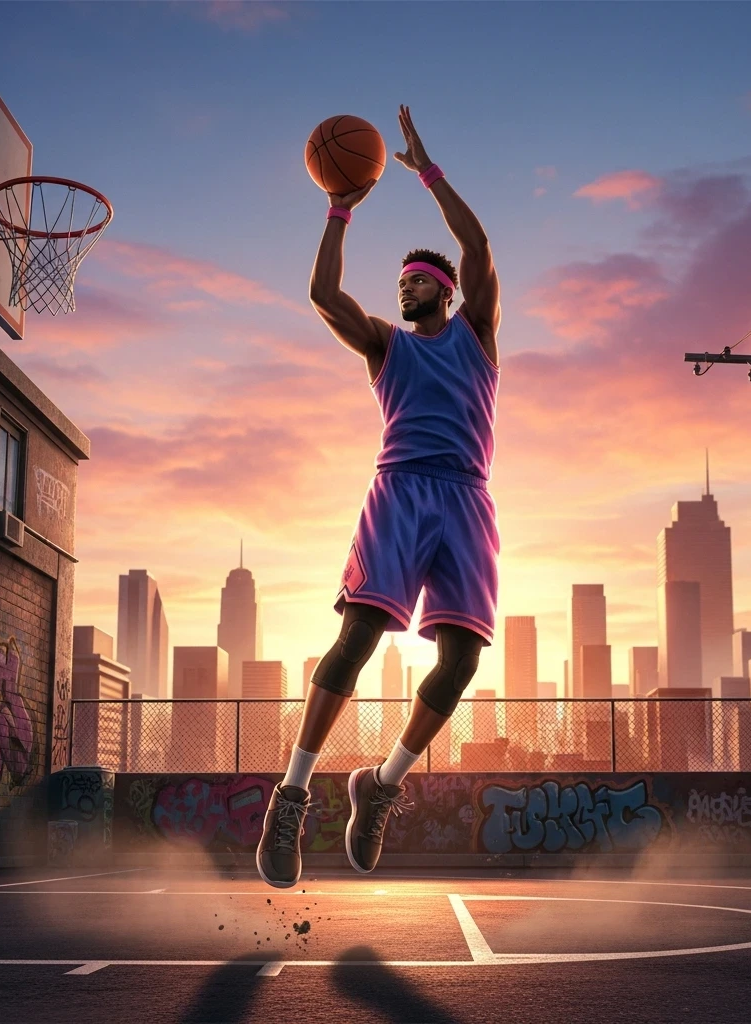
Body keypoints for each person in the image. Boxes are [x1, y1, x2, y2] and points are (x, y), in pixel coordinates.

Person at [256, 105, 501, 888]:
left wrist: (427, 171)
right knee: (358, 639)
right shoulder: (383, 346)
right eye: (397, 282)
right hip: (398, 493)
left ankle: (381, 784)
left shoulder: (476, 333)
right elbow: (322, 290)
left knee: (460, 660)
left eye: (415, 281)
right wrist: (339, 209)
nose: (402, 288)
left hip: (466, 499)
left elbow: (479, 246)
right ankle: (291, 797)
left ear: (444, 291)